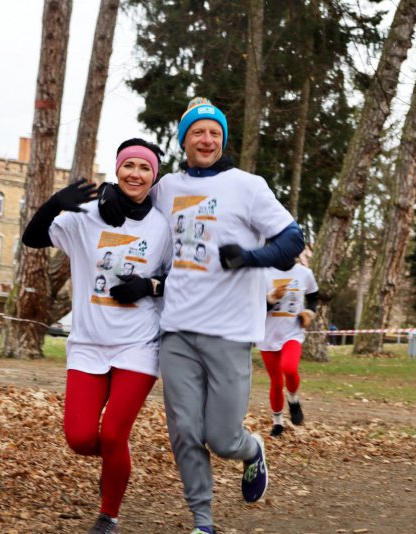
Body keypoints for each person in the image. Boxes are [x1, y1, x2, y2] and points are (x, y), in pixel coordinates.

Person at [98, 97, 305, 534]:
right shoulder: (168, 186)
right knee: (185, 432)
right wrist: (107, 192)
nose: (206, 139)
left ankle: (251, 451)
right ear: (184, 140)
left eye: (214, 132)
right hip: (175, 331)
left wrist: (249, 257)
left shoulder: (248, 186)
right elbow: (132, 197)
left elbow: (291, 242)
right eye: (197, 132)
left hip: (230, 333)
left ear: (223, 139)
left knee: (222, 437)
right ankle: (203, 521)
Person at [22, 138, 172, 534]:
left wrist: (149, 286)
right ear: (117, 169)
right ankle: (114, 459)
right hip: (88, 345)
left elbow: (182, 280)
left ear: (153, 176)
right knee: (81, 438)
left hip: (138, 345)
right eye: (129, 166)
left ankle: (109, 516)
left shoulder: (161, 225)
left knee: (114, 433)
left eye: (144, 168)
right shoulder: (88, 215)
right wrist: (56, 201)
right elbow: (32, 238)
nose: (135, 174)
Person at [256, 258, 318, 437]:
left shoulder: (305, 273)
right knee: (276, 382)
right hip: (268, 335)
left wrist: (309, 312)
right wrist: (270, 298)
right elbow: (255, 306)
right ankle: (277, 423)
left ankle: (293, 400)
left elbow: (313, 296)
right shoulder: (264, 272)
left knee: (289, 368)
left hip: (293, 332)